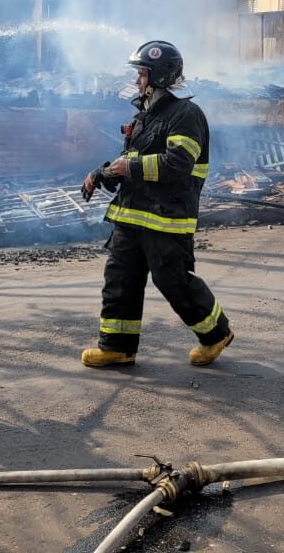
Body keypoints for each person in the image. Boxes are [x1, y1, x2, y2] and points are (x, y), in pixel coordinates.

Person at [80, 40, 233, 367]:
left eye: (142, 74)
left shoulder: (186, 115)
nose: (137, 81)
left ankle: (215, 334)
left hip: (167, 218)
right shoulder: (146, 116)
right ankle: (116, 347)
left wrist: (130, 167)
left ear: (160, 76)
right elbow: (130, 159)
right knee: (120, 280)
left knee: (173, 282)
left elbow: (178, 164)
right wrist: (100, 173)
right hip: (132, 217)